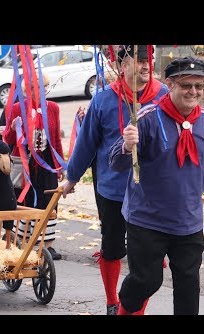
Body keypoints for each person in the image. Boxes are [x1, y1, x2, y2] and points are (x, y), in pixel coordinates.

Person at [109, 56, 204, 315]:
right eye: (186, 85)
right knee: (147, 281)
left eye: (199, 86)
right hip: (147, 220)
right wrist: (127, 145)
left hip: (187, 223)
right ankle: (122, 308)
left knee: (189, 289)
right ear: (170, 84)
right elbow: (117, 163)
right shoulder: (147, 118)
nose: (194, 92)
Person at [61, 45, 168, 315]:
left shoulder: (164, 96)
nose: (146, 66)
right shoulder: (104, 99)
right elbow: (87, 143)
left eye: (149, 60)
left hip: (150, 193)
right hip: (112, 190)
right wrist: (71, 178)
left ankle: (135, 311)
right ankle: (112, 302)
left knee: (144, 257)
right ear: (123, 66)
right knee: (112, 247)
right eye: (140, 60)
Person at [3, 72, 64, 260]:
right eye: (37, 88)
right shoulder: (16, 108)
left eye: (44, 87)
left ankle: (46, 245)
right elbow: (8, 139)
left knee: (49, 200)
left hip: (46, 160)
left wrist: (59, 165)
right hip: (25, 160)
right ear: (27, 91)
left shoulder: (52, 107)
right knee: (25, 200)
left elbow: (55, 139)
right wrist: (13, 129)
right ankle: (22, 241)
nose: (42, 91)